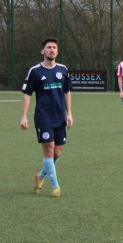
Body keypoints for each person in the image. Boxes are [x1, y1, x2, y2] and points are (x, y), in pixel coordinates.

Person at [21, 38, 74, 198]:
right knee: (49, 149)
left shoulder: (63, 69)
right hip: (43, 117)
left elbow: (67, 92)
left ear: (57, 52)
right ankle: (55, 186)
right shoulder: (35, 71)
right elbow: (27, 94)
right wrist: (24, 116)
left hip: (60, 117)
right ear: (42, 51)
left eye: (54, 48)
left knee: (57, 152)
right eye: (48, 47)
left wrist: (69, 113)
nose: (51, 50)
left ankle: (40, 177)